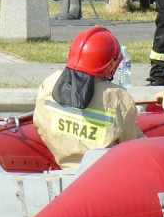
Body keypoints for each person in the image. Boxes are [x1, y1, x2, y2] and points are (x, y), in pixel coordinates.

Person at [32, 26, 143, 170]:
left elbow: (39, 123)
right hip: (101, 176)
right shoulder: (118, 98)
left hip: (61, 167)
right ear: (108, 64)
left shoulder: (50, 84)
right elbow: (130, 146)